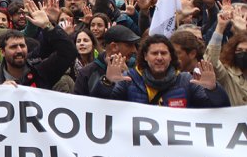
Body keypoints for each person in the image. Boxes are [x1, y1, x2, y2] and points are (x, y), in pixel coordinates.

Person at [96, 34, 229, 107]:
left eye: (164, 53)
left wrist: (213, 90)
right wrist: (107, 82)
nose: (159, 58)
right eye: (154, 53)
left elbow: (219, 110)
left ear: (171, 57)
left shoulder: (187, 81)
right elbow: (100, 108)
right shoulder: (129, 80)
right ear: (145, 57)